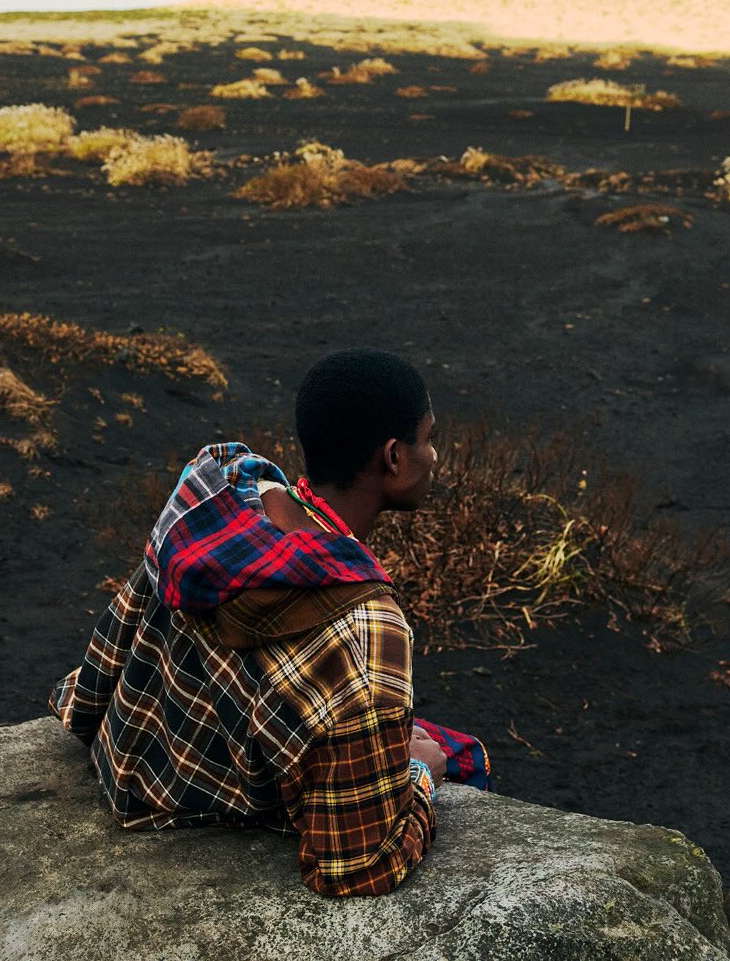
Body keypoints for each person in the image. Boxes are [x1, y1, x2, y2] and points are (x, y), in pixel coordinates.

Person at [48, 347, 490, 896]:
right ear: (394, 458)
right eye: (428, 438)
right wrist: (422, 773)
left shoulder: (218, 485)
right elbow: (355, 868)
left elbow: (125, 633)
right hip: (186, 809)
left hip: (131, 754)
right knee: (450, 755)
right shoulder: (368, 630)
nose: (436, 456)